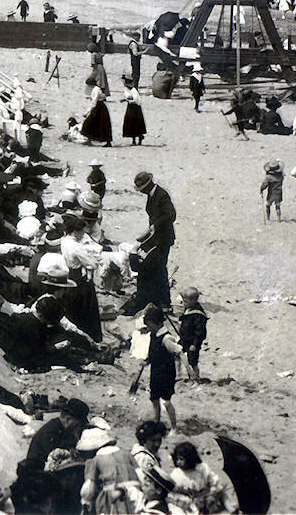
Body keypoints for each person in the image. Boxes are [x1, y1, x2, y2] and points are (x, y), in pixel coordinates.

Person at [123, 171, 176, 315]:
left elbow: (171, 215)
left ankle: (164, 302)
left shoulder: (161, 195)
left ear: (147, 186)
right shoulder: (152, 195)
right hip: (155, 237)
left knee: (160, 268)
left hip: (163, 238)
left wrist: (156, 225)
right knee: (154, 267)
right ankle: (156, 298)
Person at [78, 427, 144, 514]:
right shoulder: (126, 453)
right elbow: (141, 475)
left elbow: (89, 488)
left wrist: (86, 502)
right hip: (135, 494)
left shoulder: (95, 460)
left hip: (112, 498)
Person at [168, 441, 238, 514]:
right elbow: (173, 491)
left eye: (181, 459)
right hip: (188, 503)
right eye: (177, 459)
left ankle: (231, 510)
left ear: (189, 458)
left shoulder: (201, 468)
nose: (178, 462)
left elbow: (213, 481)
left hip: (205, 497)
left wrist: (212, 492)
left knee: (221, 491)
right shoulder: (176, 474)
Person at [142, 304, 180, 428]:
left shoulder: (166, 338)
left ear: (157, 323)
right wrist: (148, 360)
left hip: (166, 373)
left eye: (149, 324)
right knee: (154, 398)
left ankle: (174, 427)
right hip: (156, 371)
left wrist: (184, 371)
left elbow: (178, 352)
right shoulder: (154, 334)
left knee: (166, 402)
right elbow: (152, 350)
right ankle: (157, 422)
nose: (148, 327)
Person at [26, 398, 89, 470]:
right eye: (77, 424)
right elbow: (55, 459)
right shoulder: (50, 432)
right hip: (37, 473)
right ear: (68, 419)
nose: (78, 427)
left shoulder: (61, 427)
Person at [131, 420, 172, 509]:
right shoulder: (143, 457)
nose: (157, 444)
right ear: (144, 440)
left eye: (159, 440)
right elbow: (160, 480)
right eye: (153, 441)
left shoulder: (147, 453)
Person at [177, 286, 208, 381]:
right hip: (184, 338)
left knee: (192, 360)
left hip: (193, 342)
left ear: (193, 301)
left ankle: (195, 377)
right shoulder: (188, 309)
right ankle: (178, 374)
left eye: (185, 301)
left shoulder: (198, 314)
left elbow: (200, 331)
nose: (183, 303)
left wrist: (195, 344)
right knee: (176, 353)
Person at [82, 76, 113, 146]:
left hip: (98, 107)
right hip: (101, 107)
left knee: (89, 122)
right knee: (102, 124)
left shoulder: (95, 90)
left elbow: (94, 102)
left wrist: (87, 112)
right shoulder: (97, 89)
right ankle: (106, 141)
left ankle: (90, 139)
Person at [121, 75, 146, 145]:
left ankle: (138, 138)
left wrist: (128, 99)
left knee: (135, 123)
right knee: (131, 123)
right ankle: (134, 140)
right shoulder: (127, 90)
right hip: (130, 107)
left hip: (135, 109)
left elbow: (136, 100)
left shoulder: (133, 90)